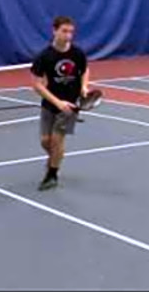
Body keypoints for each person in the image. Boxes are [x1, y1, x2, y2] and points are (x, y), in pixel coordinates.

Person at [31, 16, 90, 191]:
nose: (68, 35)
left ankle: (52, 175)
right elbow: (37, 85)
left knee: (57, 140)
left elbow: (85, 69)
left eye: (71, 32)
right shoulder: (44, 56)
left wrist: (84, 87)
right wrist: (57, 102)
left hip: (69, 107)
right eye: (64, 31)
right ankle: (55, 159)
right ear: (54, 30)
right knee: (45, 141)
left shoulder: (77, 53)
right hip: (50, 104)